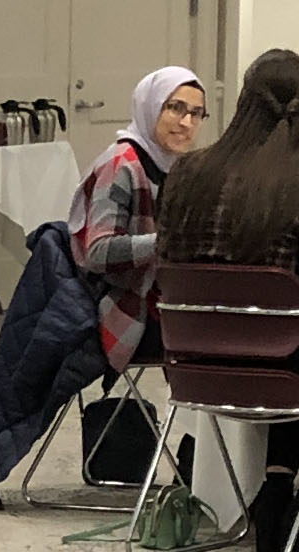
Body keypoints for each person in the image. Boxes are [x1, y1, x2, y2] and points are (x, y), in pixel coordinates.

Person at [156, 48, 299, 552]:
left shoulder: (187, 172)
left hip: (197, 366)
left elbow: (167, 261)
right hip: (279, 363)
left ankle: (274, 496)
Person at [70, 65, 203, 372]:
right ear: (150, 106)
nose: (186, 123)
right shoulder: (122, 165)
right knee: (225, 337)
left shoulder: (174, 167)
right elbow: (99, 252)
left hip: (157, 299)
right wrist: (171, 243)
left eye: (196, 114)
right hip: (121, 310)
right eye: (175, 108)